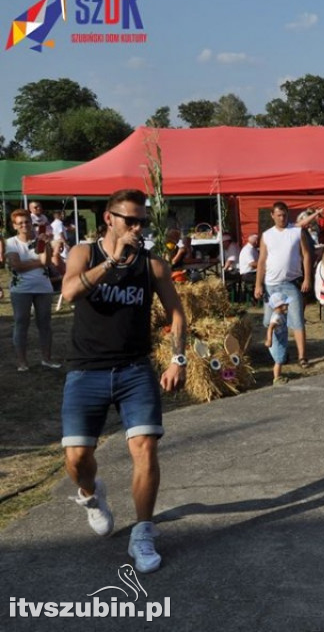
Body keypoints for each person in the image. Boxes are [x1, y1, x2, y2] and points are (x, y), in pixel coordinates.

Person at [59, 188, 187, 574]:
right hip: (86, 370)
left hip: (135, 370)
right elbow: (68, 293)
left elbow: (177, 314)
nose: (136, 227)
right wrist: (110, 264)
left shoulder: (154, 266)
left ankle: (143, 531)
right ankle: (91, 493)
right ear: (109, 218)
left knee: (145, 447)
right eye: (129, 220)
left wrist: (177, 359)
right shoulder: (85, 253)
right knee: (77, 459)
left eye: (142, 221)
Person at [255, 202, 313, 368]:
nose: (282, 218)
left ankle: (302, 356)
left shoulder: (296, 231)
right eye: (279, 215)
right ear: (272, 215)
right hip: (271, 284)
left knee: (297, 320)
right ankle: (280, 354)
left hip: (291, 282)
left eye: (284, 215)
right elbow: (262, 260)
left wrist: (307, 278)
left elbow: (307, 255)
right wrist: (258, 284)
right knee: (270, 321)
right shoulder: (266, 235)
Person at [5, 208, 60, 371]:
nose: (24, 225)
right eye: (20, 223)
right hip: (21, 289)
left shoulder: (40, 240)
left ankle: (47, 359)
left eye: (27, 221)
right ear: (14, 226)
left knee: (45, 324)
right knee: (21, 323)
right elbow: (17, 266)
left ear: (31, 223)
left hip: (43, 287)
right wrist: (39, 262)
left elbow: (48, 261)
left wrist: (47, 245)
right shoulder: (11, 243)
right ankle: (22, 362)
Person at [264, 292, 290, 385]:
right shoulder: (276, 317)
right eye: (286, 304)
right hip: (277, 341)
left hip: (281, 339)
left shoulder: (281, 314)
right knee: (278, 360)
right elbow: (270, 328)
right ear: (279, 305)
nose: (288, 305)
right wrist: (269, 340)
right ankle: (276, 378)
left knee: (281, 358)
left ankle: (279, 375)